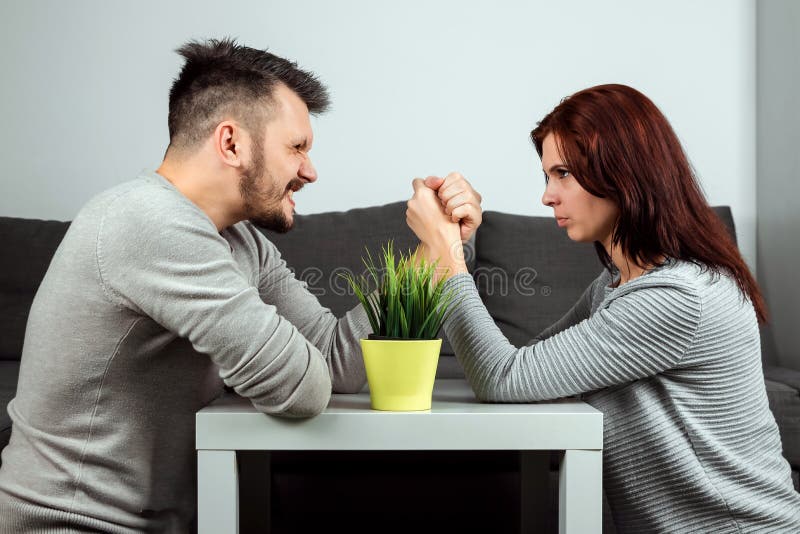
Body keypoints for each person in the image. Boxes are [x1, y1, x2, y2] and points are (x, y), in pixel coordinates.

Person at [0, 38, 483, 533]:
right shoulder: (148, 222)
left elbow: (337, 364)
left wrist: (434, 252)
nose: (310, 171)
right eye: (297, 147)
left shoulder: (240, 241)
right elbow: (303, 390)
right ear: (231, 143)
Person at [406, 83, 800, 532]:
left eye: (564, 174)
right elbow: (535, 372)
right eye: (547, 176)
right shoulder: (616, 285)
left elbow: (502, 377)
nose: (548, 195)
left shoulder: (677, 298)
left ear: (624, 172)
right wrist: (450, 246)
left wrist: (445, 251)